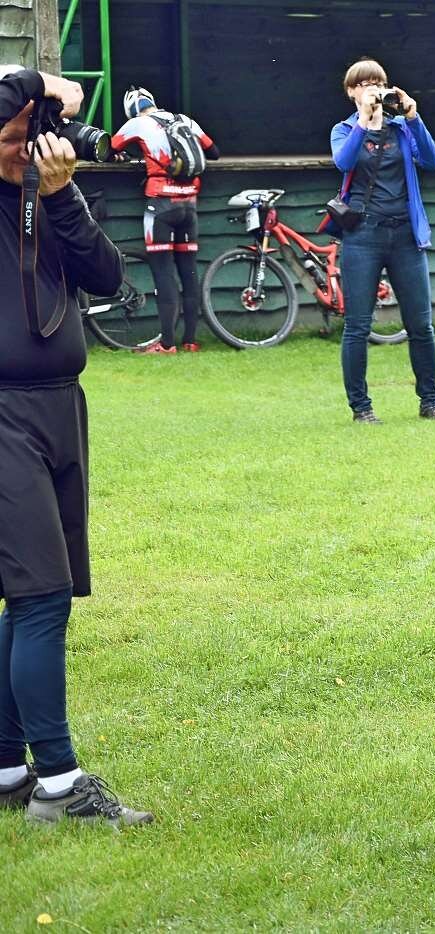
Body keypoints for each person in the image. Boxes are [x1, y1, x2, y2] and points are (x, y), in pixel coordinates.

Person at [0, 66, 151, 825]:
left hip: (60, 409)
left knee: (24, 596)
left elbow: (107, 275)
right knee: (41, 596)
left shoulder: (47, 192)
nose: (25, 143)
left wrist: (60, 196)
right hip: (2, 416)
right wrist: (34, 86)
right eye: (15, 131)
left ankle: (5, 766)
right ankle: (60, 782)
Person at [330, 59, 435, 424]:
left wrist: (413, 116)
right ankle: (361, 408)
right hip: (362, 235)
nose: (372, 89)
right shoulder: (343, 129)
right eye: (363, 84)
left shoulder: (401, 128)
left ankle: (431, 402)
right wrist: (364, 121)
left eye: (377, 82)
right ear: (351, 91)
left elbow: (432, 161)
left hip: (405, 235)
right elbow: (344, 162)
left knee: (421, 325)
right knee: (357, 326)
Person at [111, 86, 220, 354]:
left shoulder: (137, 124)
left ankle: (167, 344)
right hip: (189, 206)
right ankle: (191, 341)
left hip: (160, 205)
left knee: (163, 272)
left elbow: (108, 148)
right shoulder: (185, 120)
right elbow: (213, 151)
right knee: (189, 272)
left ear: (131, 110)